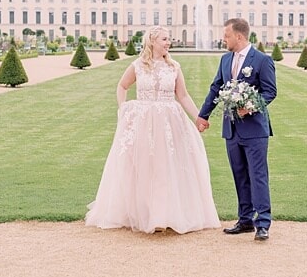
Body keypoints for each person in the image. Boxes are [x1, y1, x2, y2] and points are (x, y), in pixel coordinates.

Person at [85, 27, 220, 234]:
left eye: (169, 39)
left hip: (169, 123)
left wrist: (198, 117)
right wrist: (123, 109)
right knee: (144, 168)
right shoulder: (138, 65)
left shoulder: (174, 66)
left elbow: (183, 96)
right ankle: (146, 213)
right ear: (153, 41)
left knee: (166, 168)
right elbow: (122, 86)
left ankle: (162, 216)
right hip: (144, 123)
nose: (169, 43)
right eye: (164, 39)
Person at [196, 18, 277, 241]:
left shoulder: (261, 60)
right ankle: (245, 220)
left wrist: (249, 107)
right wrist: (203, 115)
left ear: (239, 37)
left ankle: (262, 223)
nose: (224, 39)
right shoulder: (225, 60)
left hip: (255, 129)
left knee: (258, 175)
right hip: (231, 129)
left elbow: (270, 92)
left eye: (227, 36)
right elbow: (216, 88)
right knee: (240, 175)